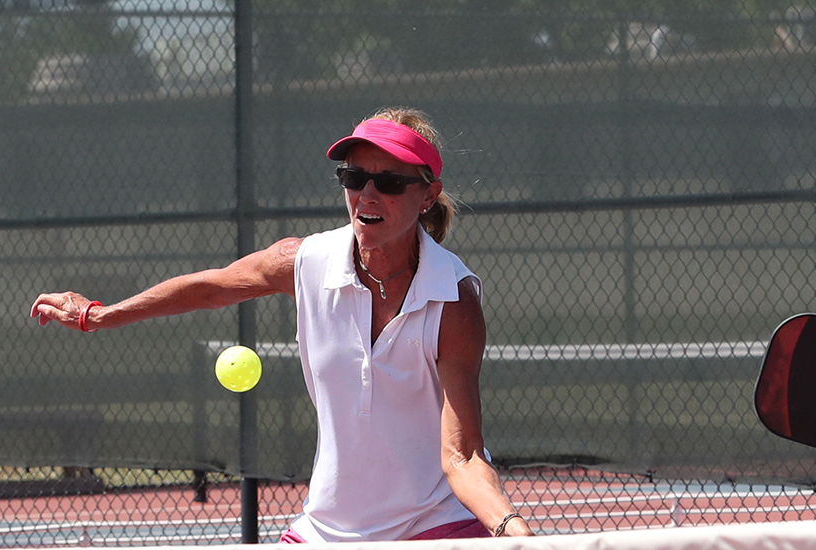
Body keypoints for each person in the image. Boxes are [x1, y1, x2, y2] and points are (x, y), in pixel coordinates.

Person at [28, 108, 533, 541]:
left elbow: (462, 457)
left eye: (391, 182)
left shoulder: (453, 299)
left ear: (427, 195)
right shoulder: (306, 261)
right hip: (328, 529)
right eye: (354, 178)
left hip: (436, 525)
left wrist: (517, 535)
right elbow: (210, 287)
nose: (367, 195)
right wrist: (98, 314)